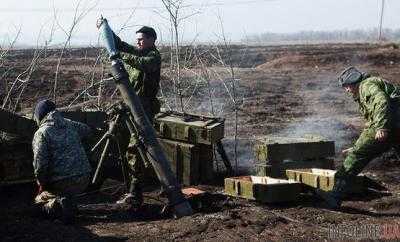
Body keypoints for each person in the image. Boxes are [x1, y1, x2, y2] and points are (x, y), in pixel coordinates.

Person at [321, 66, 400, 208]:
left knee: (356, 157)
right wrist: (358, 145)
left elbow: (381, 102)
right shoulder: (371, 84)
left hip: (390, 125)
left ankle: (334, 194)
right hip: (396, 126)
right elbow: (371, 122)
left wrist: (381, 127)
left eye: (346, 87)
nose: (347, 90)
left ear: (353, 83)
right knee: (358, 150)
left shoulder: (366, 85)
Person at [109, 25, 162, 210]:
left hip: (143, 111)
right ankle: (130, 190)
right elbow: (120, 45)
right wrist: (106, 28)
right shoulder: (138, 52)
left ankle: (135, 193)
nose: (138, 41)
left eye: (142, 39)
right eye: (137, 39)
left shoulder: (153, 57)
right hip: (130, 108)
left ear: (152, 39)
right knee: (122, 145)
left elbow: (143, 64)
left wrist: (120, 56)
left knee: (135, 149)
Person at [32, 99, 92, 223]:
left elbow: (40, 165)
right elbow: (87, 130)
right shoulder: (70, 124)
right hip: (85, 177)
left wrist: (41, 183)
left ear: (39, 115)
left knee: (38, 202)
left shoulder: (41, 133)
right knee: (67, 190)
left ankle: (59, 205)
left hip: (62, 182)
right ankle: (67, 201)